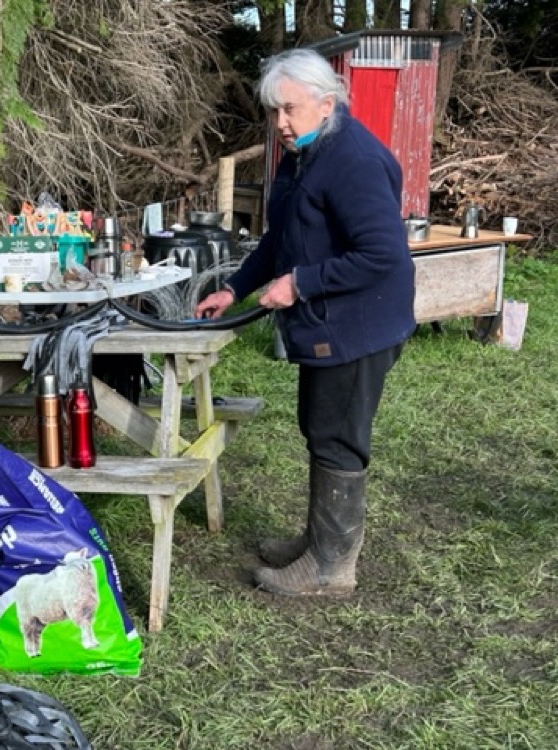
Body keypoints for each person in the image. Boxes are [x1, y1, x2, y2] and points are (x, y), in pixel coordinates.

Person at [195, 48, 416, 597]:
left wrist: (300, 284)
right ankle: (319, 542)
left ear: (328, 102)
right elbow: (280, 238)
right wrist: (234, 287)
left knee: (337, 435)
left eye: (289, 110)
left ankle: (331, 568)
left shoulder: (354, 162)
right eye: (273, 112)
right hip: (328, 320)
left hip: (360, 322)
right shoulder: (303, 155)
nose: (281, 124)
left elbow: (383, 254)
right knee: (319, 426)